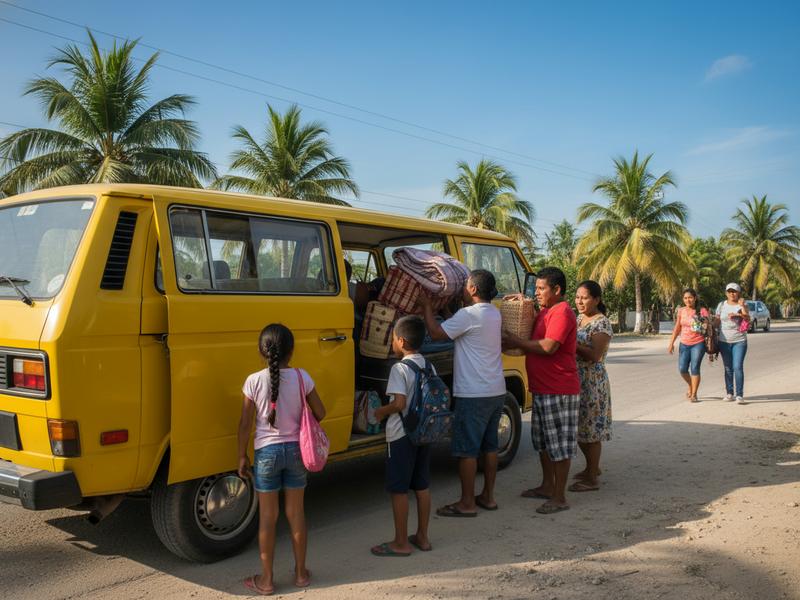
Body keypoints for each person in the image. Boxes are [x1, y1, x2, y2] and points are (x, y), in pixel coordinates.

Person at [237, 324, 326, 595]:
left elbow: (244, 424)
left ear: (262, 351)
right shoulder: (302, 377)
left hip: (266, 454)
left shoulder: (253, 381)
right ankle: (301, 574)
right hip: (297, 451)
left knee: (268, 517)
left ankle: (266, 580)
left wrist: (241, 455)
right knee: (296, 514)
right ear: (292, 350)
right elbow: (320, 412)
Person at [419, 269, 506, 517]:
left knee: (466, 450)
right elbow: (456, 326)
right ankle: (488, 497)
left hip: (473, 393)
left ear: (474, 289)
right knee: (490, 447)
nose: (463, 289)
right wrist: (447, 313)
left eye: (466, 285)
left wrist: (426, 306)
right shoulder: (493, 313)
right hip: (495, 390)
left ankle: (466, 503)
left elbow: (436, 334)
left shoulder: (469, 315)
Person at [503, 266, 580, 514]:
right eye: (535, 289)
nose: (536, 293)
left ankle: (559, 496)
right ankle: (548, 487)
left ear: (557, 290)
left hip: (559, 389)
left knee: (558, 445)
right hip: (543, 388)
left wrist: (516, 341)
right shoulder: (547, 312)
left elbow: (548, 347)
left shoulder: (562, 312)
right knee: (544, 443)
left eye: (541, 289)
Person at [370, 316, 433, 556]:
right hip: (423, 431)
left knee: (399, 489)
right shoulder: (428, 364)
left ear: (402, 341)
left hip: (401, 435)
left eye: (393, 339)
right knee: (422, 485)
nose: (392, 344)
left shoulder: (400, 368)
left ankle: (400, 542)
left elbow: (399, 403)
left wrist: (379, 412)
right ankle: (423, 537)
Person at [571, 280, 613, 492]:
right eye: (577, 297)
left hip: (592, 382)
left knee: (592, 431)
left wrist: (570, 343)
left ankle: (592, 477)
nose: (579, 301)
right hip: (575, 379)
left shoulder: (601, 323)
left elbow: (595, 356)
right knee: (579, 428)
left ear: (596, 299)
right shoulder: (579, 318)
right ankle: (591, 468)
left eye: (584, 297)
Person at [667, 288, 709, 402]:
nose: (688, 300)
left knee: (695, 368)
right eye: (685, 298)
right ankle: (691, 385)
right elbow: (677, 327)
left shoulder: (702, 310)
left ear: (695, 298)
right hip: (684, 343)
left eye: (690, 297)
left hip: (698, 343)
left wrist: (702, 323)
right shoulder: (681, 311)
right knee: (682, 369)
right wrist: (671, 343)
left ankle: (694, 394)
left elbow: (707, 326)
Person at [714, 283, 750, 404]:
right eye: (729, 291)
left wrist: (740, 311)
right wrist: (707, 328)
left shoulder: (742, 305)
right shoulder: (721, 305)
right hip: (724, 341)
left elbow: (747, 318)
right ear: (726, 293)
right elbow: (717, 321)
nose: (732, 294)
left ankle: (739, 395)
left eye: (734, 291)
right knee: (728, 368)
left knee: (737, 367)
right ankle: (730, 393)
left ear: (738, 293)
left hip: (739, 341)